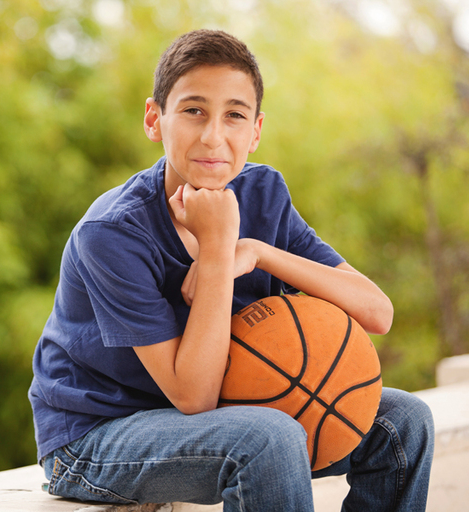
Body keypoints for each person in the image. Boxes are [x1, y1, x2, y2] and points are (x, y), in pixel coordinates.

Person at [28, 29, 434, 511]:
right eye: (193, 110)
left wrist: (257, 250)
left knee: (404, 422)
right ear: (154, 119)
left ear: (256, 131)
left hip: (214, 412)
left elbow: (376, 313)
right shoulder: (112, 233)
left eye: (234, 115)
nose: (213, 135)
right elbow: (194, 396)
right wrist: (218, 248)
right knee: (268, 439)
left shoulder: (263, 195)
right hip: (95, 436)